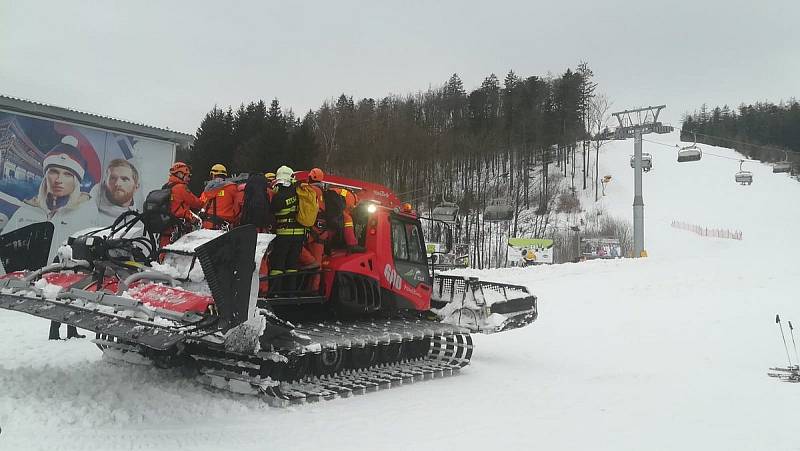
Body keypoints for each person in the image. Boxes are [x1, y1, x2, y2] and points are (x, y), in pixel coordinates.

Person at [3, 135, 97, 263]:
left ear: (76, 181)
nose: (58, 180)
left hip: (62, 282)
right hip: (23, 281)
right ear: (46, 176)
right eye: (53, 172)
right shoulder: (26, 211)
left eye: (67, 174)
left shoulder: (86, 214)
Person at [268, 165, 306, 290]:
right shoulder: (299, 192)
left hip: (284, 233)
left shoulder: (279, 195)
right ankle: (291, 292)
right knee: (292, 264)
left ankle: (275, 292)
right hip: (300, 234)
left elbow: (273, 210)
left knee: (277, 264)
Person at [158, 162, 202, 248]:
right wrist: (205, 200)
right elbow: (195, 203)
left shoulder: (166, 186)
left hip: (166, 225)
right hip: (178, 225)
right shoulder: (181, 188)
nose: (188, 179)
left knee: (163, 251)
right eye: (187, 176)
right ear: (180, 174)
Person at [199, 163, 240, 229]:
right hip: (226, 226)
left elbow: (200, 204)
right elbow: (238, 205)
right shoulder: (232, 188)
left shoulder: (207, 189)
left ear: (213, 175)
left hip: (208, 225)